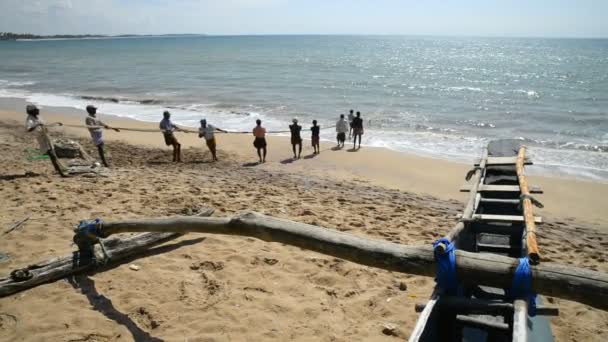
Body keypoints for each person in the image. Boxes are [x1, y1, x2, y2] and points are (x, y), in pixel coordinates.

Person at [24, 104, 67, 177]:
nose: (38, 110)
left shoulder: (38, 117)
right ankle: (60, 172)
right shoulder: (29, 119)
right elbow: (28, 129)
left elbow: (45, 125)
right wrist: (36, 124)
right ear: (32, 111)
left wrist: (56, 123)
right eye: (36, 109)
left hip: (46, 136)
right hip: (41, 138)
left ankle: (58, 170)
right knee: (52, 154)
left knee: (52, 153)